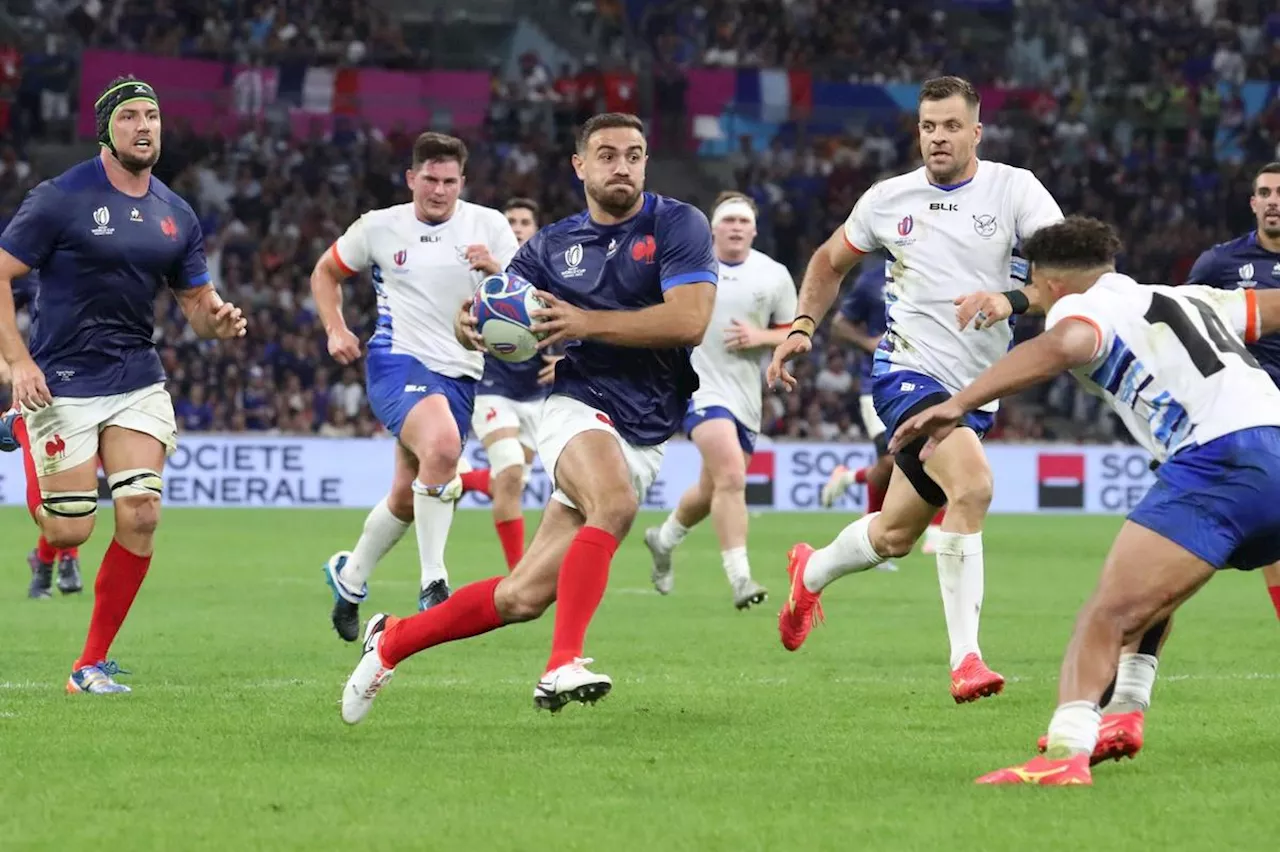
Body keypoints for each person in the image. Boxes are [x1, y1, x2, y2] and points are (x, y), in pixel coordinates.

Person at [339, 112, 716, 724]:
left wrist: (585, 322)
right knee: (614, 507)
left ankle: (393, 640)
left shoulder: (678, 224)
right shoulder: (550, 247)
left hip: (649, 427)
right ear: (580, 166)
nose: (623, 165)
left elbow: (690, 320)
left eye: (635, 154)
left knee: (522, 596)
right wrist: (471, 323)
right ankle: (562, 664)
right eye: (607, 154)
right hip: (577, 406)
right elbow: (493, 309)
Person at [890, 216, 1280, 786]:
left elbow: (1068, 343)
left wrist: (959, 403)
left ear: (1049, 285)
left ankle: (1066, 753)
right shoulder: (1186, 297)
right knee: (1151, 594)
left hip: (1218, 460)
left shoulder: (1083, 308)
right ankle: (1123, 714)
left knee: (1106, 614)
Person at [767, 76, 1064, 702]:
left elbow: (1064, 280)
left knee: (894, 535)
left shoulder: (1017, 191)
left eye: (951, 126)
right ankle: (967, 661)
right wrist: (801, 326)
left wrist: (1009, 299)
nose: (938, 138)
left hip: (978, 390)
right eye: (929, 127)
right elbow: (828, 261)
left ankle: (810, 572)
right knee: (975, 486)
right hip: (907, 372)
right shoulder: (887, 199)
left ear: (976, 132)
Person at [0, 75, 247, 694]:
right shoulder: (60, 197)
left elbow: (194, 300)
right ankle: (20, 424)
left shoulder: (175, 212)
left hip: (137, 376)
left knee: (140, 512)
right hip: (62, 380)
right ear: (107, 128)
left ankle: (88, 666)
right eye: (131, 116)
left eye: (153, 117)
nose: (145, 127)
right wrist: (18, 364)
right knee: (69, 529)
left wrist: (215, 321)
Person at [312, 132, 519, 642]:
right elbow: (325, 271)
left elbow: (525, 298)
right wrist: (336, 328)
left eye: (449, 181)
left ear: (462, 183)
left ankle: (351, 576)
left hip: (462, 374)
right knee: (445, 446)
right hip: (397, 361)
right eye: (429, 179)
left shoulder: (489, 227)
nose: (439, 190)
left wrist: (495, 270)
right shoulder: (379, 227)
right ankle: (434, 580)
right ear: (412, 178)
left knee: (408, 496)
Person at [643, 191, 794, 608]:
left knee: (713, 489)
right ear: (713, 227)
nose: (736, 228)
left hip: (745, 395)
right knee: (731, 477)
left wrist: (760, 338)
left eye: (743, 221)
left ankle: (664, 537)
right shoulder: (686, 266)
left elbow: (795, 332)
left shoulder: (773, 274)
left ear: (754, 229)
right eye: (728, 220)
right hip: (697, 387)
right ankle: (741, 579)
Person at [1185, 161, 1280, 620]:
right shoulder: (1219, 263)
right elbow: (1179, 327)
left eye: (1279, 193)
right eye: (1265, 193)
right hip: (1241, 417)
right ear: (1253, 203)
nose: (1273, 201)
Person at [457, 197, 562, 571]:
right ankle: (519, 574)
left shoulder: (552, 269)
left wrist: (568, 359)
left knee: (510, 483)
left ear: (535, 229)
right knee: (513, 471)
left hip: (536, 391)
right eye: (510, 220)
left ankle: (465, 480)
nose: (517, 227)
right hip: (491, 385)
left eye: (524, 221)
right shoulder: (479, 267)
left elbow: (568, 317)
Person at [1, 274, 84, 597]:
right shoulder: (26, 269)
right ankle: (63, 559)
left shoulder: (92, 262)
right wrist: (12, 367)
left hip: (80, 391)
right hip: (31, 394)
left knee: (77, 486)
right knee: (45, 484)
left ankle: (47, 560)